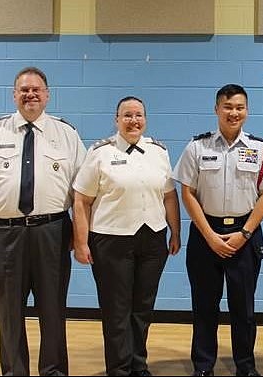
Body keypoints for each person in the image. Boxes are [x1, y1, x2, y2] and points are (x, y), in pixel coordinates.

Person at [0, 66, 86, 376]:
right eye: (24, 89)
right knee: (8, 313)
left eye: (37, 89)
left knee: (53, 311)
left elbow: (82, 191)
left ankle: (53, 371)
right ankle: (15, 372)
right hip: (2, 235)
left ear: (47, 95)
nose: (30, 94)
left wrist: (79, 236)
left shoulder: (66, 133)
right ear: (14, 95)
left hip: (52, 233)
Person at [72, 96, 181, 376]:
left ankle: (138, 365)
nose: (134, 120)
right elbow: (81, 200)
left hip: (153, 238)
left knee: (142, 308)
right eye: (127, 115)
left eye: (139, 115)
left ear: (145, 119)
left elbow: (169, 196)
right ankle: (119, 369)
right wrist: (81, 242)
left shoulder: (158, 152)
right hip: (111, 241)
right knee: (116, 309)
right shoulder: (99, 153)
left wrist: (176, 231)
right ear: (116, 119)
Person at [172, 84, 263, 377]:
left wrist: (244, 233)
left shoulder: (260, 149)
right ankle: (203, 367)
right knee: (204, 307)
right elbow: (188, 193)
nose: (234, 113)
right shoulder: (197, 147)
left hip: (245, 234)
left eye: (239, 107)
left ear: (247, 110)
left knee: (244, 310)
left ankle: (245, 366)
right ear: (217, 109)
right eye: (228, 107)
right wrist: (209, 236)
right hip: (206, 234)